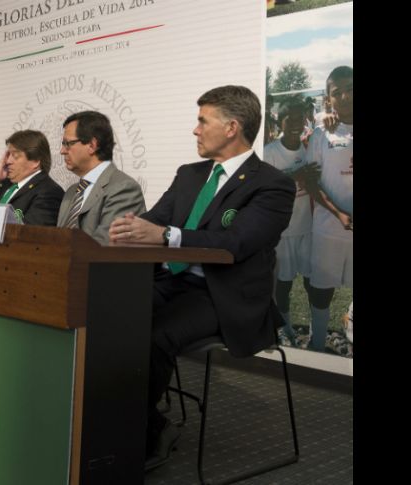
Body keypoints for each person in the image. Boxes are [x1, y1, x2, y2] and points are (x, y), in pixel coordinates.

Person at [108, 85, 295, 470]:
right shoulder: (189, 174)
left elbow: (236, 243)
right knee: (107, 320)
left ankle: (146, 431)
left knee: (152, 337)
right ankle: (127, 420)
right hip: (168, 282)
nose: (195, 130)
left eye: (202, 121)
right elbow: (156, 221)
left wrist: (166, 236)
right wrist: (130, 227)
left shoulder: (273, 184)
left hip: (221, 294)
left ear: (231, 127)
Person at [303, 66, 353, 351]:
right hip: (328, 229)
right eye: (337, 92)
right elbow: (311, 182)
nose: (345, 96)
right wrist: (338, 213)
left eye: (351, 88)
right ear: (329, 98)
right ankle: (318, 343)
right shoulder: (322, 134)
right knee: (321, 290)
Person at [263, 97, 314, 345]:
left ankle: (317, 332)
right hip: (283, 233)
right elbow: (265, 187)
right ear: (279, 121)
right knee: (283, 284)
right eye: (289, 118)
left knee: (312, 282)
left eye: (299, 118)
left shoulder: (310, 147)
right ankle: (285, 329)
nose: (295, 123)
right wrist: (295, 175)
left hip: (309, 228)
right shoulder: (269, 153)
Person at [56, 111, 145, 244]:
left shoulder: (123, 188)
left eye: (68, 143)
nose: (62, 151)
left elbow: (104, 246)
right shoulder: (71, 192)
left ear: (92, 145)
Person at [0, 130, 63, 226]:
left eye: (15, 156)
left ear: (36, 161)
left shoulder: (49, 192)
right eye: (8, 155)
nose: (8, 161)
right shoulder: (2, 184)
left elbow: (33, 234)